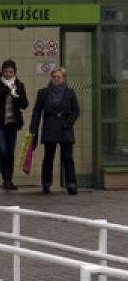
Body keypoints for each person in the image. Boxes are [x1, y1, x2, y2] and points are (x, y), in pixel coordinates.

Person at [29, 66, 80, 195]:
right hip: (49, 128)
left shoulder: (70, 93)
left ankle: (71, 184)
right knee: (48, 157)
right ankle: (46, 183)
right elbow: (36, 112)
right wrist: (33, 129)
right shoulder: (43, 93)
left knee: (67, 157)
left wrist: (68, 122)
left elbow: (76, 111)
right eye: (54, 77)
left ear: (64, 79)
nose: (56, 79)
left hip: (64, 128)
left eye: (59, 77)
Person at [0, 59, 29, 190]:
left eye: (11, 72)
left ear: (15, 72)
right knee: (2, 150)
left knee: (10, 151)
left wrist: (15, 94)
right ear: (2, 72)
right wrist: (6, 89)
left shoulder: (19, 85)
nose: (8, 74)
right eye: (6, 72)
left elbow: (24, 104)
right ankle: (5, 177)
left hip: (12, 123)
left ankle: (9, 179)